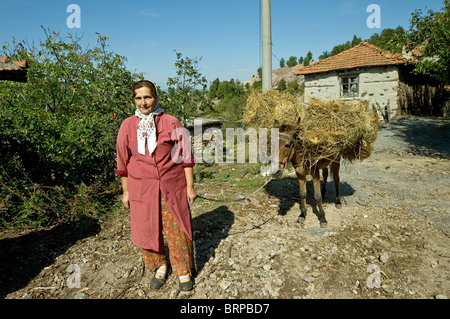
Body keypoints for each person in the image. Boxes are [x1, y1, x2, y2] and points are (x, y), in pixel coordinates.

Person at [115, 80, 197, 292]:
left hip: (172, 185)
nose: (143, 103)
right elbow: (122, 163)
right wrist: (126, 192)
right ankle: (160, 265)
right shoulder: (127, 126)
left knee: (177, 227)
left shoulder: (171, 122)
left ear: (156, 97)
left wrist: (190, 187)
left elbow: (186, 157)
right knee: (147, 228)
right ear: (134, 100)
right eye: (138, 98)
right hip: (141, 188)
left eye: (147, 97)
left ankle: (183, 270)